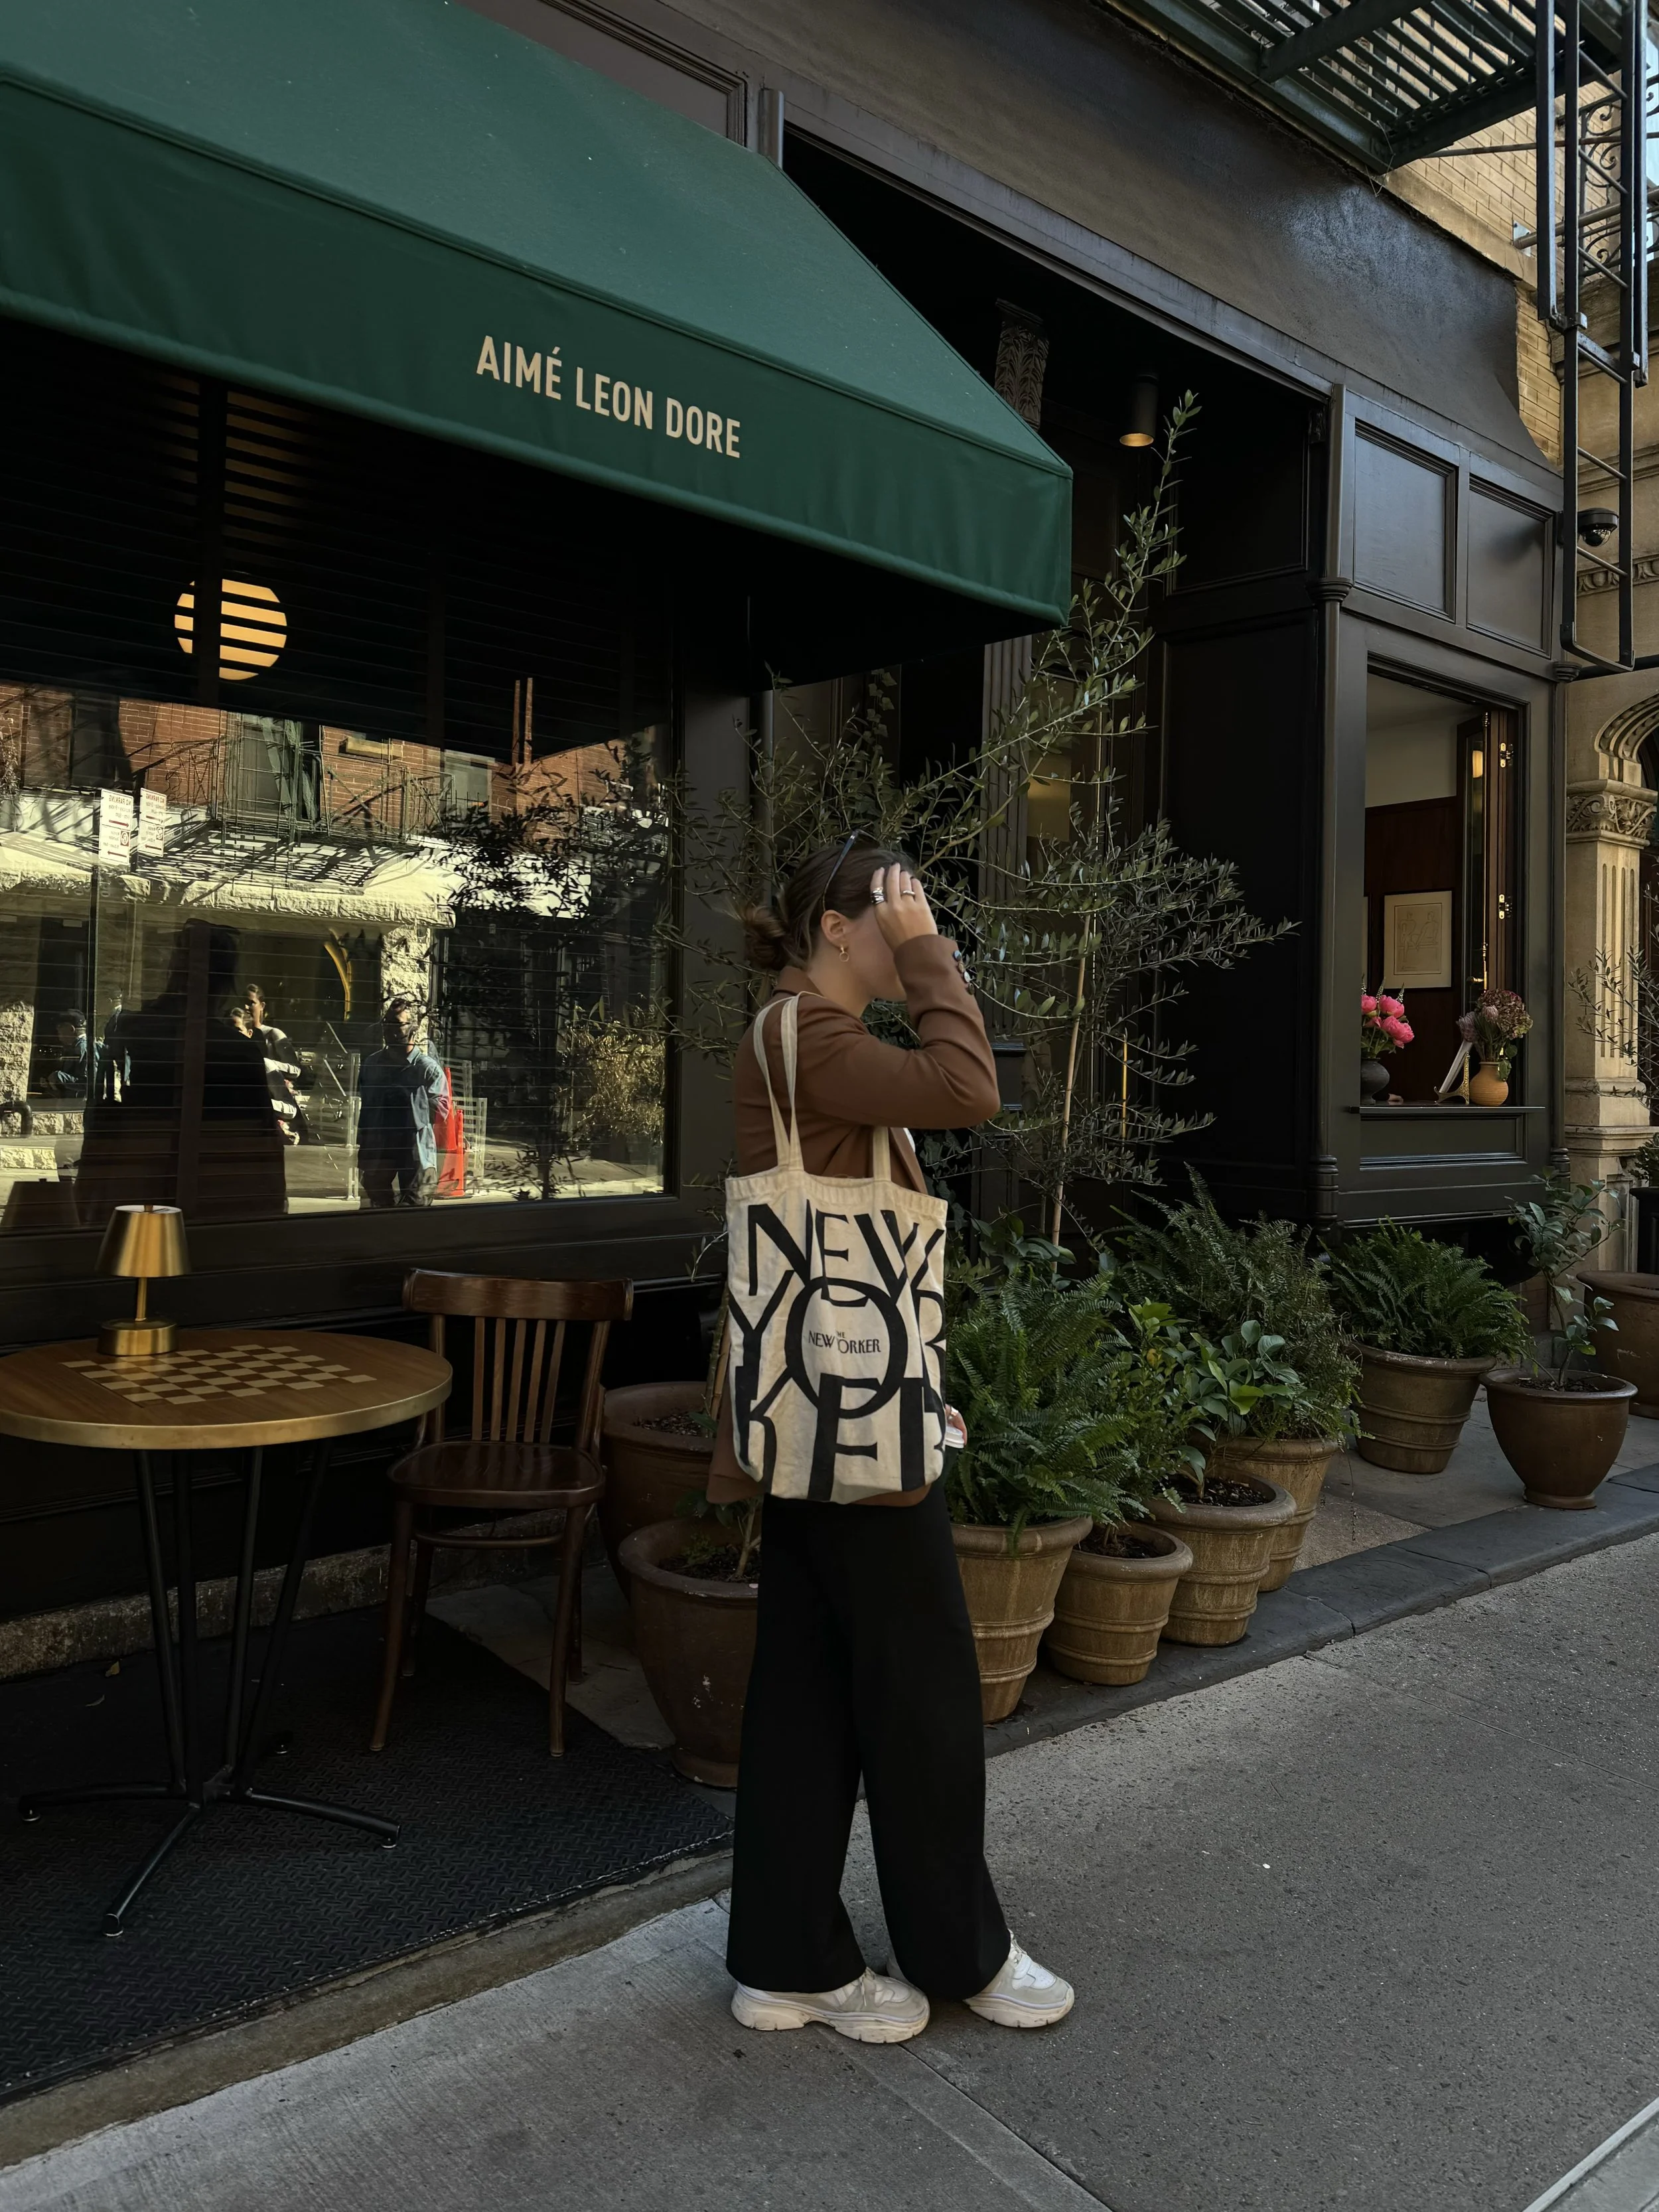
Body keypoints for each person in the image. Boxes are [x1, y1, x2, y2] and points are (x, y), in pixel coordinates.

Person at [714, 837, 1074, 2045]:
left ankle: (786, 1958)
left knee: (808, 1693)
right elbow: (971, 1085)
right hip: (851, 1433)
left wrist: (920, 1384)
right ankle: (960, 1953)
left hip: (824, 1411)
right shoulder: (812, 1038)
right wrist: (928, 959)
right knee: (924, 1692)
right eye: (898, 913)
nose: (922, 933)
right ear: (837, 926)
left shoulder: (802, 1039)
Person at [357, 997, 449, 1208]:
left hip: (416, 1152)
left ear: (414, 1030)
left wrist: (409, 1097)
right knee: (378, 1211)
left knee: (414, 1216)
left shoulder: (426, 1068)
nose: (389, 1029)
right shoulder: (372, 1065)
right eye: (386, 1023)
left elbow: (442, 1112)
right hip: (379, 1150)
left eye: (397, 1024)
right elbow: (367, 1109)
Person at [239, 984, 307, 1146]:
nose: (246, 1007)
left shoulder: (273, 1034)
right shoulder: (239, 1033)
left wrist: (267, 1063)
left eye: (251, 1003)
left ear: (262, 1006)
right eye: (243, 1002)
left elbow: (296, 1070)